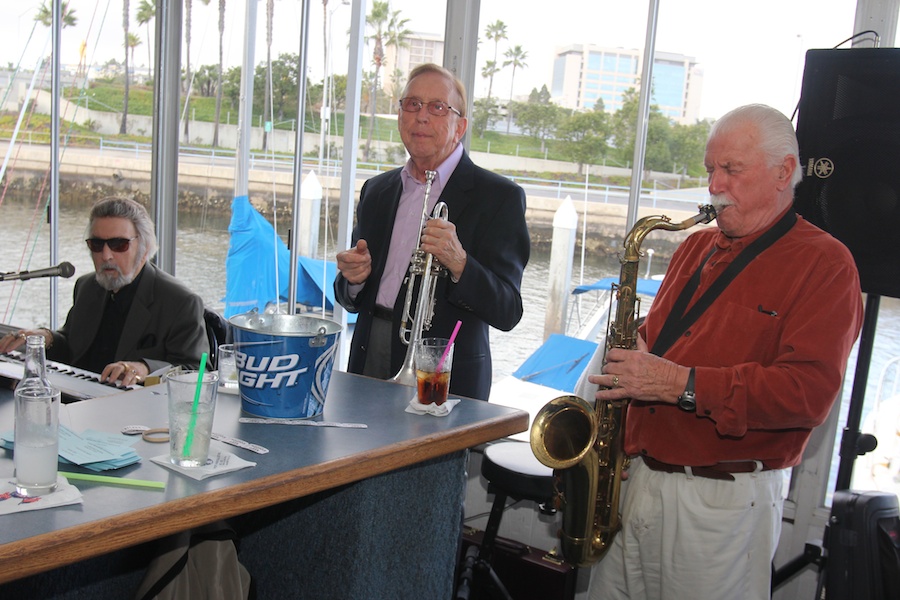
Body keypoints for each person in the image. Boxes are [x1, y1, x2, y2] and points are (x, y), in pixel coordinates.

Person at [583, 104, 864, 600]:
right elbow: (664, 337)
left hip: (721, 506)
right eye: (711, 169)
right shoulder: (694, 248)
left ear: (783, 173)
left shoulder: (827, 264)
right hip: (641, 481)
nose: (714, 185)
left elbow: (807, 395)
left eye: (731, 169)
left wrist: (680, 384)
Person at [334, 63, 530, 401]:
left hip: (445, 377)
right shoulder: (376, 191)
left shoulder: (499, 197)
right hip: (368, 359)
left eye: (437, 107)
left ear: (460, 127)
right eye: (412, 104)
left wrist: (460, 263)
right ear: (399, 117)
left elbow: (508, 310)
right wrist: (354, 279)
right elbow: (352, 294)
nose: (421, 116)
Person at [0, 197, 208, 386]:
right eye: (97, 244)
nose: (106, 255)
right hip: (78, 396)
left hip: (135, 411)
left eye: (119, 244)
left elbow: (197, 372)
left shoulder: (180, 301)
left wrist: (145, 369)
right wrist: (46, 337)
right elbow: (73, 346)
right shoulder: (87, 286)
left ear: (144, 249)